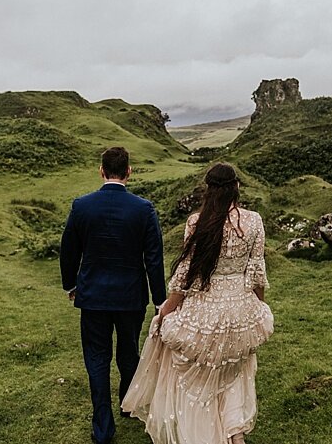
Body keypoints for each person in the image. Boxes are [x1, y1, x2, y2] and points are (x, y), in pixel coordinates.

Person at [122, 162, 273, 444]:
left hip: (205, 313)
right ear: (236, 187)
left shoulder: (197, 221)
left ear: (208, 190)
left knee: (201, 375)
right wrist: (260, 308)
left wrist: (166, 310)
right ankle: (233, 430)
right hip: (241, 310)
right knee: (233, 371)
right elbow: (256, 273)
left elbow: (186, 276)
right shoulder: (254, 221)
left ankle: (204, 434)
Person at [61, 146, 165, 444]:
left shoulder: (81, 206)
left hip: (93, 295)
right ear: (128, 171)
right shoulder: (143, 208)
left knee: (97, 356)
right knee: (128, 351)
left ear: (101, 170)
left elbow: (69, 251)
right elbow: (154, 258)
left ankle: (102, 427)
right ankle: (127, 404)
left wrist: (71, 286)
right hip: (131, 296)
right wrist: (160, 300)